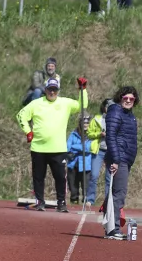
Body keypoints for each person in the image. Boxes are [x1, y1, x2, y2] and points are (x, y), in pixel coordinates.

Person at [16, 76, 89, 212]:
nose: (52, 92)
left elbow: (82, 105)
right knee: (38, 177)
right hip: (38, 148)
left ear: (58, 90)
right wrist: (28, 131)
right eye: (50, 89)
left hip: (58, 149)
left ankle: (61, 203)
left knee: (61, 178)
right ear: (45, 89)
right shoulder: (36, 103)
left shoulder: (65, 103)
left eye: (55, 90)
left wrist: (82, 89)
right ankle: (40, 202)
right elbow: (21, 116)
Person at [104, 86, 139, 239]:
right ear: (120, 97)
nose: (129, 101)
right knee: (119, 193)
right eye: (126, 98)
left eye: (132, 99)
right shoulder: (115, 111)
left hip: (126, 158)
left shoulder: (129, 115)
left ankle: (111, 225)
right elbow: (110, 137)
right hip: (120, 158)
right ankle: (113, 229)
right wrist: (116, 160)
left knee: (117, 192)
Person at [86, 99, 113, 208]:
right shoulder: (97, 119)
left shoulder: (116, 119)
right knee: (94, 175)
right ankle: (90, 199)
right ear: (104, 107)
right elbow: (89, 133)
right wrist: (99, 134)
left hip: (111, 151)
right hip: (98, 150)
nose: (109, 108)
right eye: (107, 106)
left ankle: (107, 201)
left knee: (109, 177)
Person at [66, 115, 92, 204]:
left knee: (85, 186)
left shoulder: (91, 135)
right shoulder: (73, 134)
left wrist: (75, 147)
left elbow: (89, 148)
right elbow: (67, 147)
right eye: (83, 122)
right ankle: (74, 201)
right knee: (73, 185)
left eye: (87, 123)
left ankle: (85, 201)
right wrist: (80, 148)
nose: (85, 124)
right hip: (73, 163)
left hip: (85, 164)